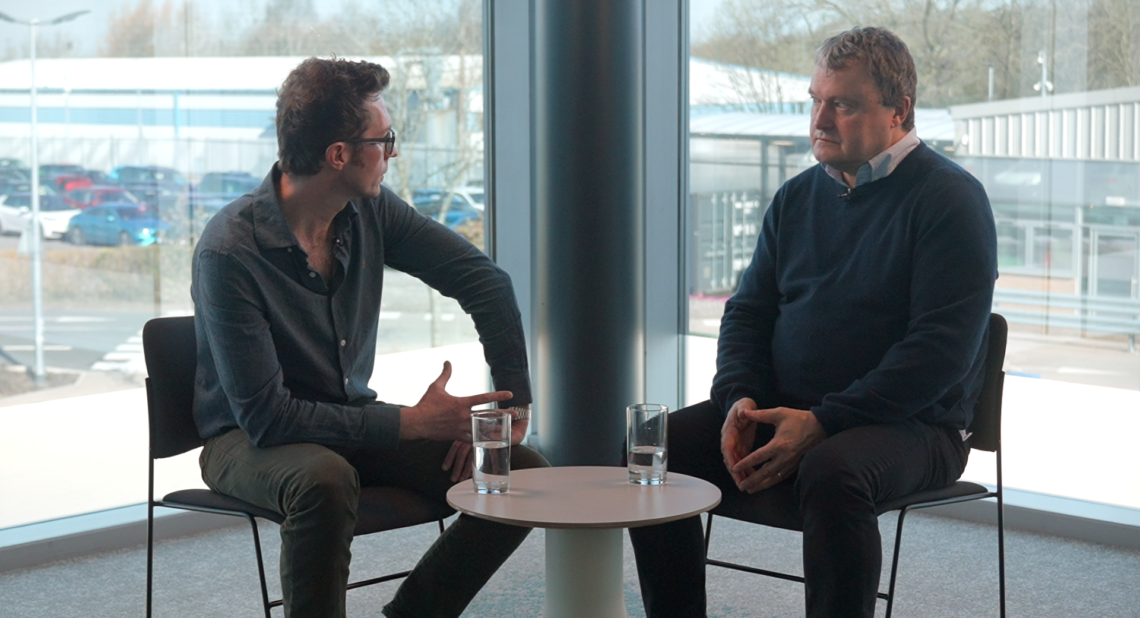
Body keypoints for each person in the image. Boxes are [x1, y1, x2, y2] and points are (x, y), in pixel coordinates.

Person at [628, 26, 997, 618]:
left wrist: (823, 422)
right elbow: (747, 313)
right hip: (790, 410)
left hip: (915, 425)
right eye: (815, 101)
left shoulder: (950, 200)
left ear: (899, 111)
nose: (819, 120)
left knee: (832, 470)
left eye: (842, 104)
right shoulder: (797, 197)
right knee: (652, 446)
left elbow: (938, 354)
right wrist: (738, 400)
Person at [190, 57, 547, 618]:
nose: (392, 153)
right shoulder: (229, 251)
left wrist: (513, 405)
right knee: (324, 479)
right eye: (385, 140)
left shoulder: (369, 212)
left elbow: (485, 281)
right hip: (245, 439)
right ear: (339, 155)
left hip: (348, 420)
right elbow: (268, 418)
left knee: (520, 472)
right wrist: (413, 424)